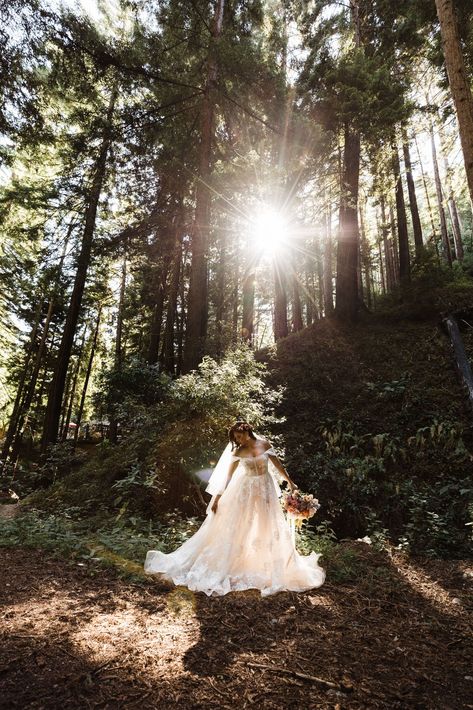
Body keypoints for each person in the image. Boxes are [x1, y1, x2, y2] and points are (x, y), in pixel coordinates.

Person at [144, 421, 325, 596]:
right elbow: (228, 477)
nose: (238, 440)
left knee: (268, 521)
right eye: (236, 437)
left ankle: (270, 563)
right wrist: (218, 498)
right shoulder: (238, 451)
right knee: (240, 523)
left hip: (265, 487)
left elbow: (277, 465)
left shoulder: (265, 444)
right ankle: (236, 559)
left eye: (240, 436)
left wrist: (290, 482)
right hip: (245, 488)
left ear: (248, 432)